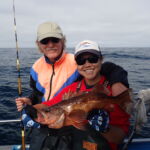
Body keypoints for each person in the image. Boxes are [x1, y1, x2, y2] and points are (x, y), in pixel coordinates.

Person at [16, 22, 129, 150]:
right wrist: (30, 110)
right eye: (81, 61)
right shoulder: (38, 67)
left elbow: (120, 136)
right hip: (72, 139)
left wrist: (105, 128)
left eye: (93, 59)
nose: (87, 64)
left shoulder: (108, 87)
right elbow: (47, 101)